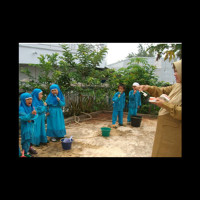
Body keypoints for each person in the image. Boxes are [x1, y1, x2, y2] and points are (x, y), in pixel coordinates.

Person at [135, 60, 182, 157]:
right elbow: (162, 90)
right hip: (165, 130)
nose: (174, 74)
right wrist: (147, 88)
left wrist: (165, 104)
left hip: (174, 136)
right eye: (174, 71)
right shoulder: (178, 85)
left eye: (177, 71)